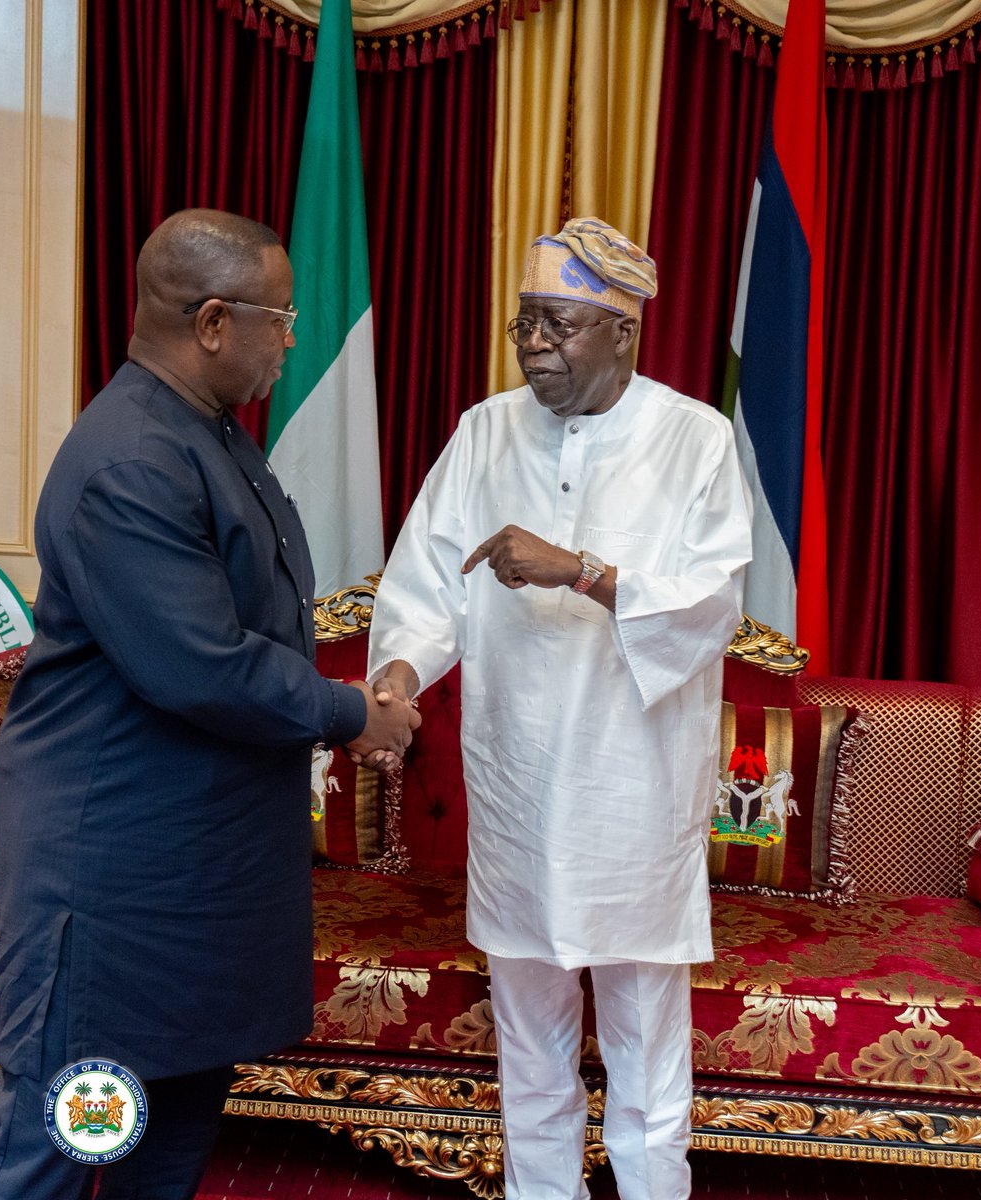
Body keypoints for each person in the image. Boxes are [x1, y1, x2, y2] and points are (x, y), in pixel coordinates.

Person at [0, 209, 419, 1200]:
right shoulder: (133, 459)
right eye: (280, 316)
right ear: (213, 321)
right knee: (65, 1145)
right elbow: (199, 665)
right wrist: (355, 714)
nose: (291, 338)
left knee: (161, 1154)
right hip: (114, 894)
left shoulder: (203, 433)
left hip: (193, 881)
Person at [366, 217, 753, 1200]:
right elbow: (424, 584)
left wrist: (578, 569)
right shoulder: (484, 431)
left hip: (633, 797)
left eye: (560, 325)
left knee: (644, 1054)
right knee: (528, 1047)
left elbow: (711, 605)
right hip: (518, 792)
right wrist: (399, 680)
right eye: (524, 323)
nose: (536, 345)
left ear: (622, 330)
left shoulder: (693, 438)